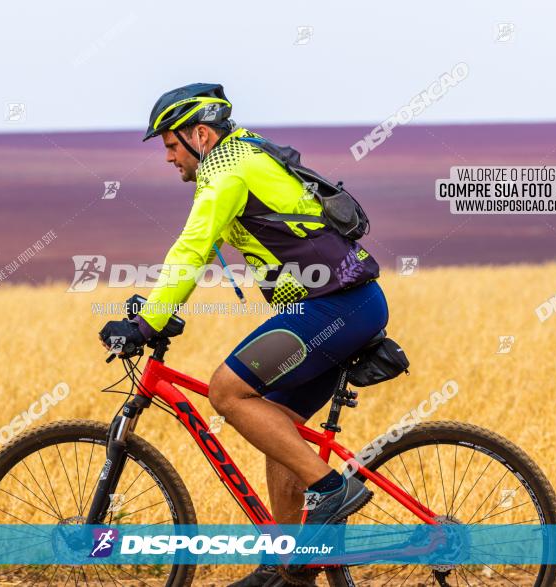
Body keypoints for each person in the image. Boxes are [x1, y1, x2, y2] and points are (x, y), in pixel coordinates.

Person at [99, 83, 389, 586]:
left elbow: (191, 250)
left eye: (171, 145)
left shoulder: (226, 171)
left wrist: (146, 323)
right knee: (277, 425)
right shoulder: (243, 152)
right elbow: (198, 259)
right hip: (339, 306)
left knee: (227, 391)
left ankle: (330, 489)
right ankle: (288, 566)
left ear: (201, 135)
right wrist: (159, 307)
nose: (168, 158)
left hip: (335, 307)